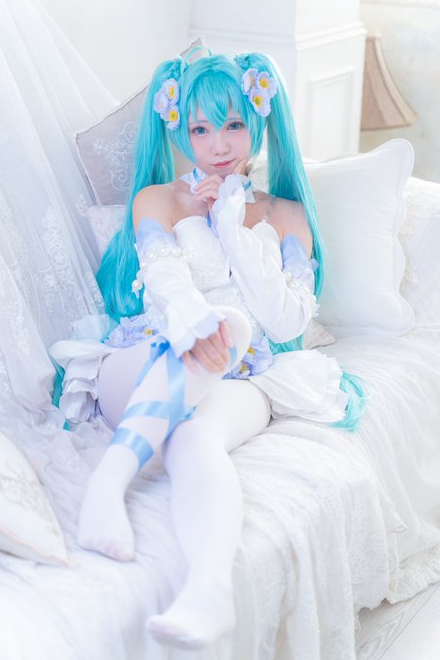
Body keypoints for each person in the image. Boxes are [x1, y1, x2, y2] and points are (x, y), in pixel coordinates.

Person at [50, 45, 366, 651]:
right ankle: (108, 485)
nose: (218, 145)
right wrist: (198, 325)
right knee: (214, 328)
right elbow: (167, 284)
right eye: (200, 129)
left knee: (201, 422)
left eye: (233, 125)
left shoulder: (287, 214)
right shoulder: (157, 200)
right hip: (146, 357)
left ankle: (209, 589)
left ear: (259, 122)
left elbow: (285, 320)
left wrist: (231, 225)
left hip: (243, 376)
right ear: (180, 132)